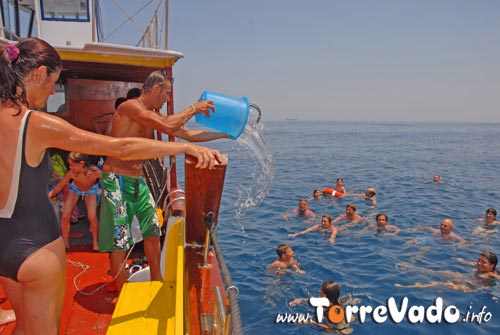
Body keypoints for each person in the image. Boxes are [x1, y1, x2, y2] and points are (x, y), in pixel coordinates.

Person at [0, 37, 222, 335]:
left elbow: (180, 131)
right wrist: (182, 150)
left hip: (4, 246)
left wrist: (221, 137)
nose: (53, 90)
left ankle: (153, 283)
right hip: (39, 249)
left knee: (24, 327)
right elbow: (121, 148)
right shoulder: (35, 122)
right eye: (53, 82)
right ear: (39, 73)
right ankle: (121, 289)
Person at [101, 69, 230, 295]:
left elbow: (188, 134)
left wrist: (225, 134)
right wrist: (192, 108)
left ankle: (157, 281)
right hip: (116, 181)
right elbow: (171, 126)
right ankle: (122, 294)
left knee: (152, 230)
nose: (167, 99)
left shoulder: (152, 115)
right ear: (156, 88)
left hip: (137, 181)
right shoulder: (130, 107)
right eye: (166, 93)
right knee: (120, 242)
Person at [48, 152, 102, 250]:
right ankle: (65, 242)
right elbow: (60, 185)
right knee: (65, 216)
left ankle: (95, 241)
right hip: (75, 189)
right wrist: (49, 195)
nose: (69, 167)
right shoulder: (72, 173)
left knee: (92, 216)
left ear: (81, 164)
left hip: (90, 190)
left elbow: (108, 181)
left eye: (72, 165)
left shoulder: (95, 171)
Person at [395, 252, 500, 292]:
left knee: (440, 284)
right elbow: (472, 263)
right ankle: (413, 268)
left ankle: (410, 287)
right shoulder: (479, 266)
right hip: (466, 278)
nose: (479, 263)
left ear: (492, 266)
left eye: (483, 262)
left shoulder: (491, 274)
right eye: (479, 260)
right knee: (443, 272)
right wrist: (462, 261)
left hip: (471, 287)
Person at [289, 280, 353, 333]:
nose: (320, 291)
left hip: (339, 330)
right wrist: (301, 299)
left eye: (321, 289)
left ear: (325, 295)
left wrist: (310, 322)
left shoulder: (332, 311)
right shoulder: (336, 301)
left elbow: (329, 327)